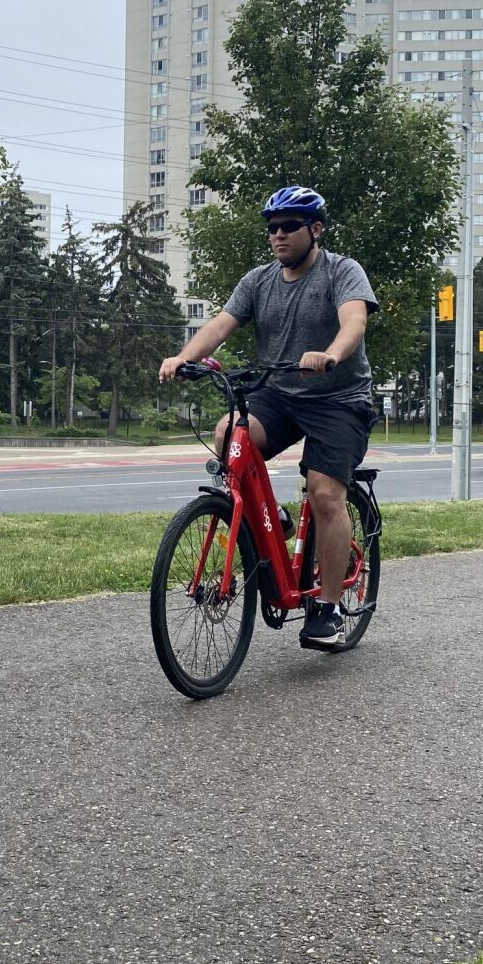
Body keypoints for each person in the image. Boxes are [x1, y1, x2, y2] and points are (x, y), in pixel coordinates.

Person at [158, 186, 378, 648]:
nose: (277, 235)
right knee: (227, 433)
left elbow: (353, 321)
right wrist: (183, 357)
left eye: (288, 226)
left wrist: (332, 354)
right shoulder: (258, 280)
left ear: (315, 229)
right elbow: (221, 324)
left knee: (324, 493)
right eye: (272, 228)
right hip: (279, 393)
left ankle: (330, 607)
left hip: (338, 399)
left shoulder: (343, 271)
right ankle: (271, 516)